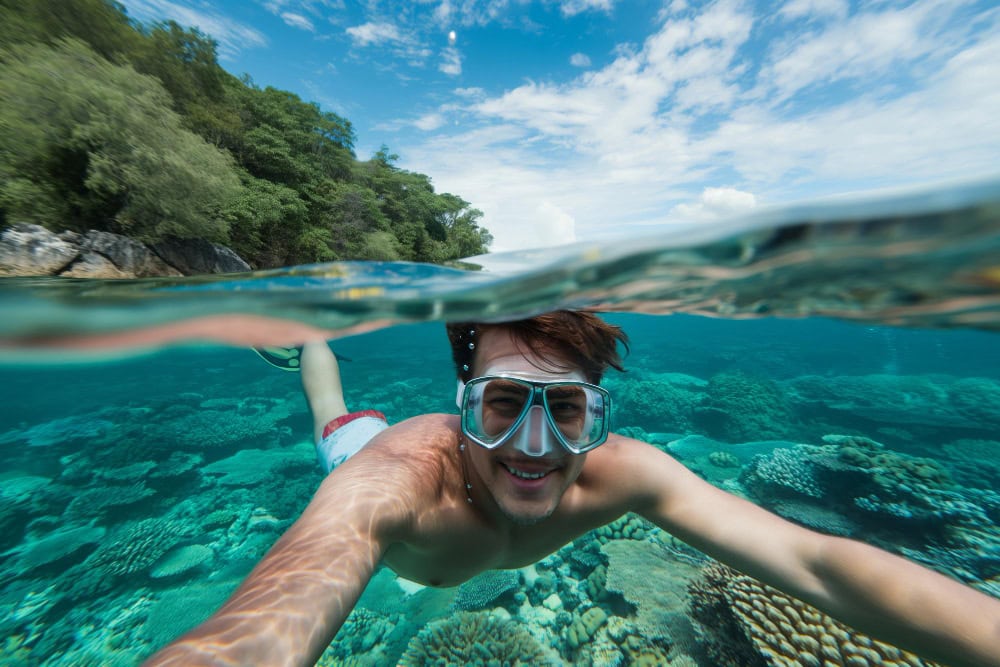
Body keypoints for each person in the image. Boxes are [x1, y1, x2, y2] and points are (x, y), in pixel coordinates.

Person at [147, 311, 1000, 667]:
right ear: (462, 404)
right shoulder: (390, 482)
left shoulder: (624, 471)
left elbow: (817, 562)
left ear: (601, 413)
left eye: (566, 409)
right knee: (331, 407)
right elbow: (259, 626)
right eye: (503, 404)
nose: (532, 445)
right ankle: (303, 337)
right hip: (362, 446)